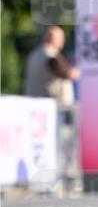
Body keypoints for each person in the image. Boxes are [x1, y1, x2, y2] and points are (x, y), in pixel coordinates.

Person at [24, 25, 81, 185]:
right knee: (60, 146)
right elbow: (68, 73)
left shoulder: (35, 54)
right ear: (55, 40)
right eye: (61, 39)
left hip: (37, 111)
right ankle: (61, 179)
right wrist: (79, 71)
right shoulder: (50, 56)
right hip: (54, 111)